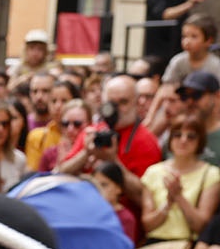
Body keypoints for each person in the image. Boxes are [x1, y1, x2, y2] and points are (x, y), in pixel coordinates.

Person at [138, 114, 220, 249]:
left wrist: (180, 198)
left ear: (200, 141)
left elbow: (202, 224)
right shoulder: (153, 172)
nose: (183, 140)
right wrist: (167, 203)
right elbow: (148, 224)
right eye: (177, 135)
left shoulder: (210, 173)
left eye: (191, 136)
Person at [57, 75, 163, 209]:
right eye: (111, 102)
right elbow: (61, 173)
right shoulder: (92, 132)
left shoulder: (146, 142)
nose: (115, 108)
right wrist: (85, 153)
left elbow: (144, 196)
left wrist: (113, 161)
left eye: (123, 102)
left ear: (136, 104)